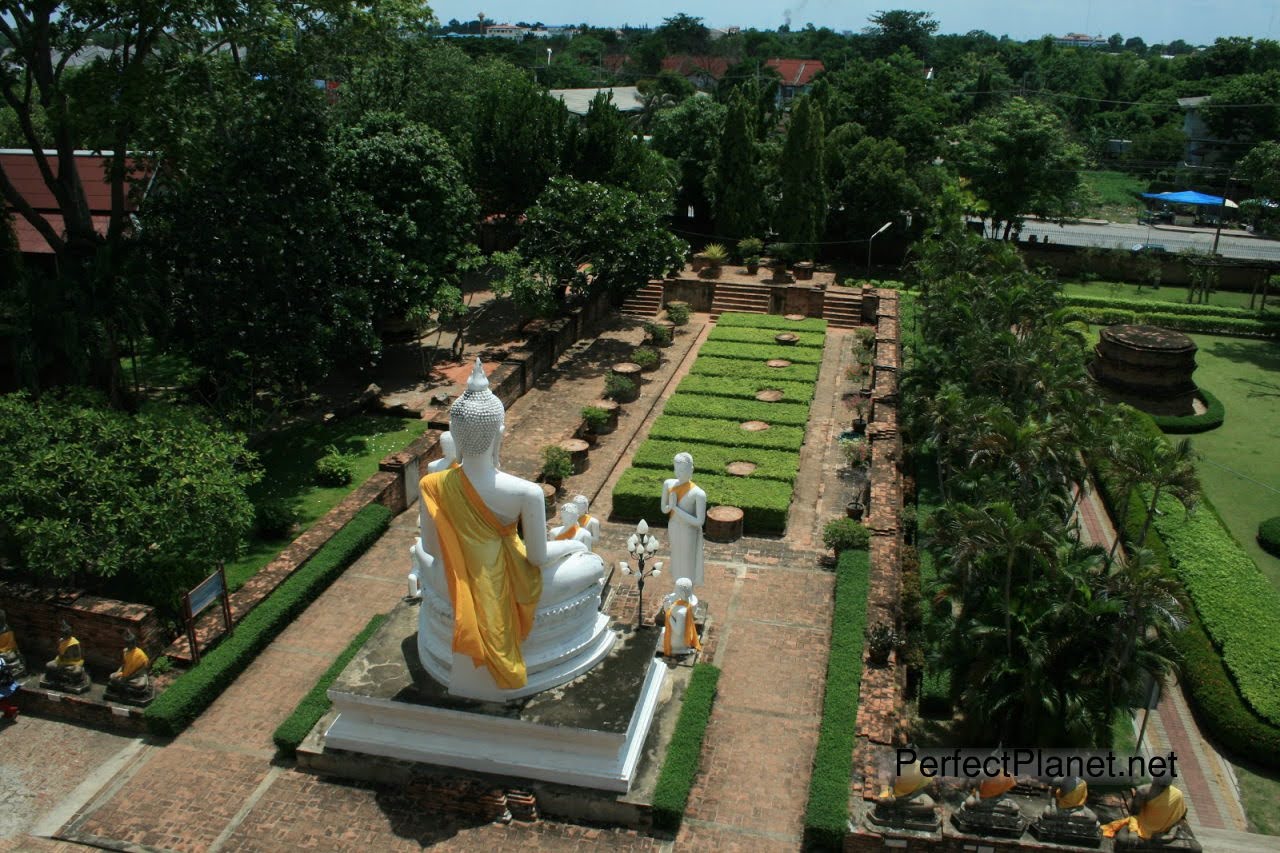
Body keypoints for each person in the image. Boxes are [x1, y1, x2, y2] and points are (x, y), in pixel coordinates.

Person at [660, 453, 706, 590]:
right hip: (673, 526)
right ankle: (677, 588)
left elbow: (699, 521)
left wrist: (675, 508)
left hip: (688, 531)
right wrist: (670, 507)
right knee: (676, 557)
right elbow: (664, 509)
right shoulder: (668, 484)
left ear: (691, 470)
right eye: (676, 470)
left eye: (683, 471)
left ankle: (687, 591)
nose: (678, 474)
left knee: (687, 560)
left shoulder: (698, 494)